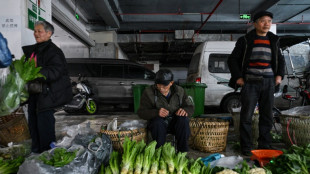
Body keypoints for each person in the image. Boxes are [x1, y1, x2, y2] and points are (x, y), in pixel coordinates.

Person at [227, 11, 285, 156]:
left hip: (269, 83)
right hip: (250, 83)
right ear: (255, 23)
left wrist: (279, 76)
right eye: (263, 21)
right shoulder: (245, 40)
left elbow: (280, 59)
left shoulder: (274, 40)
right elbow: (232, 60)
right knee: (246, 116)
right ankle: (246, 147)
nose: (267, 24)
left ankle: (264, 144)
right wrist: (238, 77)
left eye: (269, 21)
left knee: (267, 116)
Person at [22, 21, 72, 153]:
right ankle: (36, 154)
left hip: (46, 96)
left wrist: (35, 73)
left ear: (49, 34)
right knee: (33, 126)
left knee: (44, 128)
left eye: (39, 31)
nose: (36, 34)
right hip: (34, 94)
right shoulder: (35, 50)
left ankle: (47, 155)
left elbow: (55, 72)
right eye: (35, 31)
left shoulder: (54, 51)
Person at [137, 69, 194, 152]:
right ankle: (160, 152)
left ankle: (183, 152)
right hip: (158, 125)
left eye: (164, 86)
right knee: (157, 122)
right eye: (158, 85)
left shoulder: (180, 91)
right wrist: (156, 112)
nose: (161, 89)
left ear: (171, 83)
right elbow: (141, 112)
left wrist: (185, 110)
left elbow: (190, 107)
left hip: (175, 124)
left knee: (184, 120)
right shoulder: (149, 92)